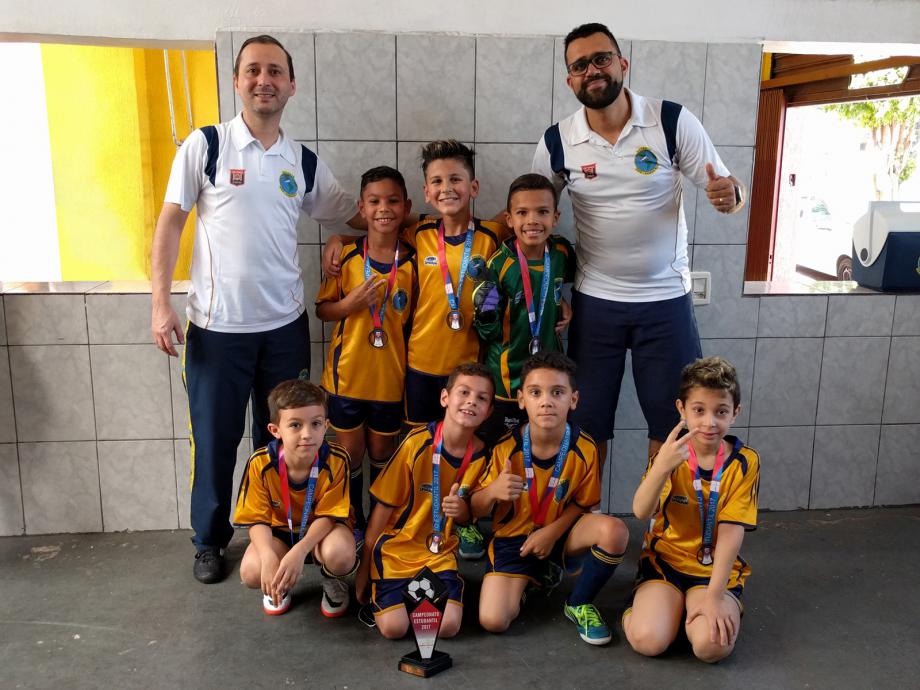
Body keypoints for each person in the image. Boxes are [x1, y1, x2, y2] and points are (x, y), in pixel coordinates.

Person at [150, 34, 362, 583]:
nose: (263, 80)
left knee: (287, 440)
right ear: (237, 81)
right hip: (216, 330)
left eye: (274, 72)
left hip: (284, 329)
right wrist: (160, 303)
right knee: (214, 440)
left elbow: (352, 214)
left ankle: (282, 535)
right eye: (253, 71)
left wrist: (413, 223)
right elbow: (170, 224)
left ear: (291, 85)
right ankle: (209, 540)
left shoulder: (302, 161)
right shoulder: (207, 146)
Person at [532, 22, 747, 469]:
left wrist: (732, 195)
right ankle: (584, 509)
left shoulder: (670, 121)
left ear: (622, 63)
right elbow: (529, 215)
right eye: (580, 65)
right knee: (585, 424)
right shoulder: (558, 141)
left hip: (665, 301)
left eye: (601, 59)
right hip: (596, 302)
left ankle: (660, 514)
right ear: (570, 80)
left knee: (676, 427)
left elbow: (729, 188)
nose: (592, 70)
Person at [471, 352, 629, 645]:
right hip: (515, 541)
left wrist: (551, 533)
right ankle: (532, 579)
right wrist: (492, 491)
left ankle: (579, 602)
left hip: (561, 535)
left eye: (557, 392)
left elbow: (584, 503)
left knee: (614, 531)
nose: (546, 402)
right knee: (493, 620)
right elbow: (475, 509)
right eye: (536, 393)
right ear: (521, 400)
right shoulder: (505, 449)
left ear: (573, 399)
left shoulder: (585, 448)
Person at [624, 356, 759, 663]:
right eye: (699, 410)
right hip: (666, 563)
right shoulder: (670, 455)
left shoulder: (745, 462)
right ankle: (656, 610)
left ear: (735, 413)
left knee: (711, 648)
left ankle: (691, 611)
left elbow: (731, 533)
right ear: (681, 409)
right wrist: (661, 467)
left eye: (720, 411)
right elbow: (642, 512)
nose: (709, 422)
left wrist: (714, 596)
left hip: (713, 571)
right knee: (648, 641)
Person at [354, 362, 494, 640]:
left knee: (448, 626)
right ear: (445, 398)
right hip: (396, 551)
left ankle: (417, 593)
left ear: (489, 411)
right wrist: (364, 570)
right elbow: (383, 509)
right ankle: (397, 592)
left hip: (438, 554)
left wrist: (462, 510)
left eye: (482, 398)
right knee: (394, 629)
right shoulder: (416, 444)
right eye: (464, 392)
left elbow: (467, 518)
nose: (471, 401)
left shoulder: (483, 456)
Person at [315, 166, 416, 546]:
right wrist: (349, 305)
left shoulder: (414, 260)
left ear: (406, 207)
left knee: (382, 452)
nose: (383, 209)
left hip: (390, 379)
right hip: (346, 378)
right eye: (374, 201)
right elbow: (323, 310)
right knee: (350, 454)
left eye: (392, 201)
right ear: (361, 207)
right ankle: (352, 519)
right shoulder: (346, 258)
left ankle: (379, 521)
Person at [233, 380, 356, 617]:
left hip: (321, 534)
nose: (307, 434)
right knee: (251, 571)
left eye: (315, 424)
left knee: (341, 554)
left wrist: (300, 551)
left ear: (326, 425)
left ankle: (332, 579)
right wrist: (268, 556)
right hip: (280, 533)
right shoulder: (259, 463)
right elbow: (256, 519)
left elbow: (330, 516)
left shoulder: (337, 460)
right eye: (295, 425)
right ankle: (280, 582)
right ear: (275, 430)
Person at [473, 173, 575, 444]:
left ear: (555, 217)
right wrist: (485, 312)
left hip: (550, 378)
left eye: (542, 212)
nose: (532, 220)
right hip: (508, 379)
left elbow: (561, 287)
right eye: (522, 212)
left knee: (546, 447)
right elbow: (487, 331)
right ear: (509, 219)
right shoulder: (497, 266)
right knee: (503, 448)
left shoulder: (562, 252)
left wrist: (562, 303)